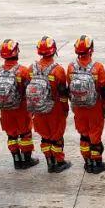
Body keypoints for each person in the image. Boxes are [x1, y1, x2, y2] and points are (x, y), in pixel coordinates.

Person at [26, 36, 71, 173]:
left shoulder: (31, 68)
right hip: (54, 109)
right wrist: (65, 108)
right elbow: (63, 94)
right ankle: (59, 162)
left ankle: (49, 162)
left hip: (38, 109)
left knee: (44, 136)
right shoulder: (58, 70)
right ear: (54, 51)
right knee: (56, 137)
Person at [0, 39, 38, 169]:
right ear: (16, 52)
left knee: (11, 135)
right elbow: (30, 91)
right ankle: (27, 160)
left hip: (5, 110)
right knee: (25, 135)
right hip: (21, 109)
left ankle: (16, 160)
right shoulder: (23, 71)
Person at [68, 35, 105, 174]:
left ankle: (87, 162)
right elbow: (104, 91)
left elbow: (70, 89)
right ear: (91, 49)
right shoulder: (97, 67)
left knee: (84, 135)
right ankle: (97, 164)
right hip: (94, 107)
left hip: (78, 108)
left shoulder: (71, 67)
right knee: (95, 136)